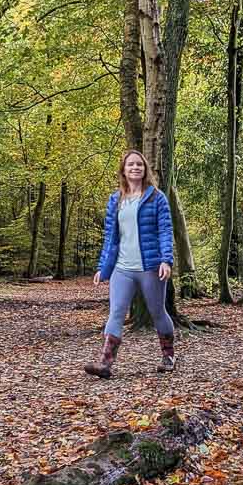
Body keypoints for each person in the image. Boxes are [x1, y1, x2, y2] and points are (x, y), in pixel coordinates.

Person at [85, 150, 176, 379]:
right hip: (122, 268)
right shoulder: (115, 200)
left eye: (139, 165)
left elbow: (165, 231)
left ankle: (168, 356)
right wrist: (102, 267)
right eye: (130, 165)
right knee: (115, 312)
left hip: (150, 267)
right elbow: (110, 238)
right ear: (123, 170)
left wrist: (166, 259)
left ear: (145, 169)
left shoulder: (157, 197)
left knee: (157, 312)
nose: (135, 168)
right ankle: (105, 363)